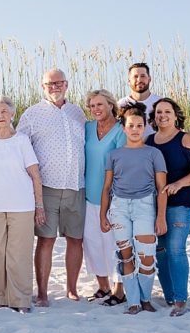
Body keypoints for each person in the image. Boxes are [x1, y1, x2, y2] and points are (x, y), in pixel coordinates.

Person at [17, 68, 86, 306]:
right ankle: (43, 293)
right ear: (42, 86)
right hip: (46, 187)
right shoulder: (32, 114)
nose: (55, 87)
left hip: (77, 186)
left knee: (75, 239)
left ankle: (72, 289)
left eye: (59, 83)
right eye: (50, 84)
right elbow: (20, 149)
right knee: (46, 240)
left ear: (66, 84)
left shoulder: (78, 112)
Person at [0, 95, 45, 313]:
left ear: (12, 114)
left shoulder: (21, 141)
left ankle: (20, 300)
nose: (0, 116)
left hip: (22, 206)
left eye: (4, 111)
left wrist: (39, 205)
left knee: (19, 253)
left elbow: (35, 175)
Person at [98, 103, 168, 315]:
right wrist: (103, 214)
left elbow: (161, 188)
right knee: (125, 255)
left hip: (145, 206)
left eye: (139, 125)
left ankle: (146, 298)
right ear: (124, 128)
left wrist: (161, 217)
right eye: (131, 125)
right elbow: (107, 187)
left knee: (146, 257)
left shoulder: (153, 153)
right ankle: (133, 302)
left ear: (145, 126)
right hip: (119, 207)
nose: (135, 129)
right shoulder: (114, 155)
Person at [146, 98, 190, 317]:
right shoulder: (149, 141)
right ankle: (170, 295)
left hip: (181, 202)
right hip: (155, 203)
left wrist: (179, 183)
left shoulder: (185, 139)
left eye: (167, 111)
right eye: (159, 112)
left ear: (175, 114)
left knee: (175, 248)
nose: (162, 116)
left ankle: (181, 300)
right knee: (160, 251)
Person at [83, 89, 126, 304]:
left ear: (111, 105)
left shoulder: (121, 130)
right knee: (92, 243)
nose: (96, 109)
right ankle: (103, 286)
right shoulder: (88, 128)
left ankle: (119, 289)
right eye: (92, 106)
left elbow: (122, 165)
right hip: (88, 195)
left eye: (100, 104)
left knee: (113, 244)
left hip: (113, 197)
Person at [117, 63, 163, 137]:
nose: (139, 80)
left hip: (157, 147)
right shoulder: (120, 105)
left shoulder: (161, 103)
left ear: (149, 78)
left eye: (143, 76)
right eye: (135, 76)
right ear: (129, 81)